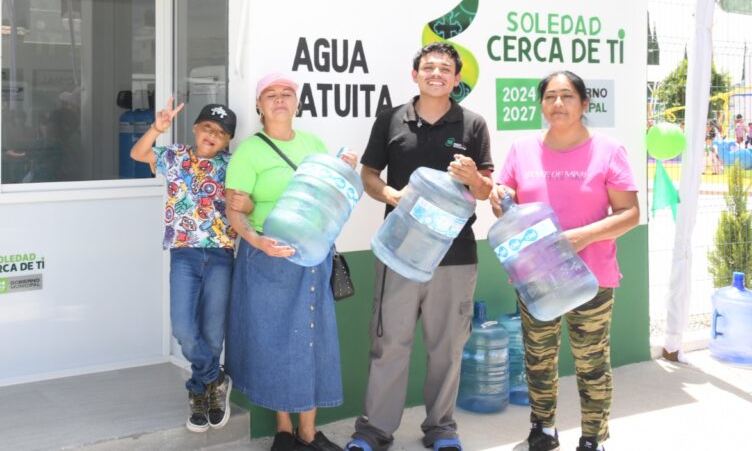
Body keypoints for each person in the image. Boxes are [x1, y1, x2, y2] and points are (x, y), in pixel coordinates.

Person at [347, 42, 493, 451]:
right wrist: (391, 196)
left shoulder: (473, 124)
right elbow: (369, 175)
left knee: (447, 347)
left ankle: (442, 428)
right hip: (400, 251)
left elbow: (485, 190)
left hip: (455, 255)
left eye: (445, 69)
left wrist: (473, 178)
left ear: (456, 78)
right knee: (389, 343)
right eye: (428, 67)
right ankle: (374, 431)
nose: (436, 74)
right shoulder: (391, 119)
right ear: (415, 74)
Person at [489, 71, 640, 451]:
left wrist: (581, 237)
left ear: (584, 103)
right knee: (538, 359)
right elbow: (506, 203)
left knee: (592, 363)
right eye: (550, 96)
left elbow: (630, 214)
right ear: (541, 105)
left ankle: (593, 437)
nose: (558, 103)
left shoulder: (608, 150)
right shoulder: (521, 149)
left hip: (591, 277)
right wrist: (499, 198)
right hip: (536, 276)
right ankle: (543, 428)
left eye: (567, 96)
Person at [225, 72, 357, 451]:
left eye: (287, 94)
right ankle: (284, 429)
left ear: (297, 102)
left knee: (312, 339)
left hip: (313, 255)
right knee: (276, 341)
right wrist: (257, 241)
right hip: (267, 257)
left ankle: (308, 432)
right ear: (259, 105)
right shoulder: (249, 152)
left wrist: (344, 168)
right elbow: (234, 210)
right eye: (271, 95)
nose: (280, 100)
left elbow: (330, 192)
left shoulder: (313, 143)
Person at [130, 97, 239, 434]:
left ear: (227, 141)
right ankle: (216, 379)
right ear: (195, 128)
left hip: (221, 255)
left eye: (220, 132)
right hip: (184, 255)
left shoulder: (233, 165)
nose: (212, 135)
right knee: (183, 329)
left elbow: (248, 198)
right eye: (207, 127)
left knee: (212, 334)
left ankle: (201, 393)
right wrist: (156, 128)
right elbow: (138, 154)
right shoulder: (175, 156)